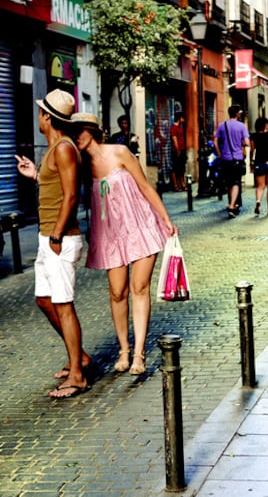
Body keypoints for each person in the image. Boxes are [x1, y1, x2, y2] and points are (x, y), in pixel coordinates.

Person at [70, 112, 175, 375]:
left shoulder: (120, 152)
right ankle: (124, 350)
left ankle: (138, 354)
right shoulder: (81, 165)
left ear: (92, 131)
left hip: (140, 225)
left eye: (80, 131)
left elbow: (146, 186)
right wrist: (36, 176)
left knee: (140, 287)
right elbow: (62, 187)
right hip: (110, 235)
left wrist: (165, 219)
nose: (77, 137)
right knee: (118, 292)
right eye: (73, 133)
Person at [15, 89, 90, 399]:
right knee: (44, 300)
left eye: (41, 112)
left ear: (47, 117)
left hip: (60, 238)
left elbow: (71, 195)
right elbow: (56, 186)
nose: (39, 116)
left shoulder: (63, 148)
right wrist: (36, 175)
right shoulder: (53, 150)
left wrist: (57, 234)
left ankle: (77, 375)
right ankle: (80, 357)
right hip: (48, 236)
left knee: (63, 304)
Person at [214, 104, 250, 219]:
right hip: (237, 158)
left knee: (229, 182)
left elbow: (215, 141)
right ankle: (231, 205)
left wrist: (220, 153)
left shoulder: (222, 125)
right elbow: (247, 142)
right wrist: (241, 143)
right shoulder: (241, 126)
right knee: (235, 182)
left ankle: (232, 203)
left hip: (225, 159)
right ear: (237, 114)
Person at [250, 117, 268, 215]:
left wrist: (251, 162)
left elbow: (252, 150)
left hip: (259, 162)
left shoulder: (253, 136)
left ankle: (258, 201)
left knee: (260, 186)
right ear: (266, 125)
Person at [170, 111, 187, 191]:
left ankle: (182, 184)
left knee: (181, 168)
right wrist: (178, 150)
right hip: (177, 151)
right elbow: (174, 139)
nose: (184, 120)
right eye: (183, 118)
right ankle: (176, 185)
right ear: (179, 119)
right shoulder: (174, 128)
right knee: (175, 168)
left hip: (182, 150)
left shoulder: (180, 128)